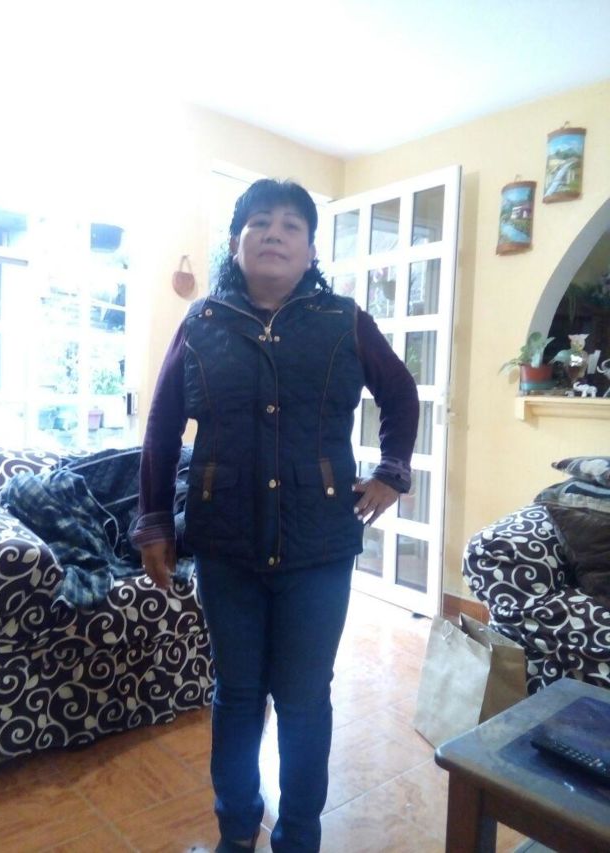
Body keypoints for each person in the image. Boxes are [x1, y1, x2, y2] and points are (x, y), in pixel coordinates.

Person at [132, 179, 419, 853]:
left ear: (311, 248)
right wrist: (154, 522)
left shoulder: (344, 320)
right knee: (236, 694)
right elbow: (162, 427)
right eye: (259, 221)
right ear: (237, 242)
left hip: (319, 548)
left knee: (303, 698)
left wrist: (391, 473)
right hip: (225, 545)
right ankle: (237, 831)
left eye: (292, 225)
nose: (274, 233)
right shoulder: (201, 324)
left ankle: (298, 838)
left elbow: (402, 395)